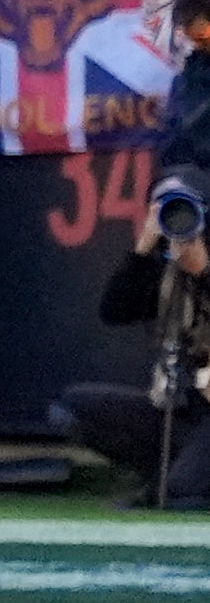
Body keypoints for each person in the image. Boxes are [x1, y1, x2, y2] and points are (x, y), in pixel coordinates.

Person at [57, 176, 210, 508]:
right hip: (180, 405)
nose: (177, 220)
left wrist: (203, 273)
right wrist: (142, 249)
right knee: (70, 410)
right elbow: (114, 311)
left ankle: (179, 484)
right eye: (165, 210)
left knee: (184, 498)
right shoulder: (160, 268)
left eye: (185, 210)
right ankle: (162, 479)